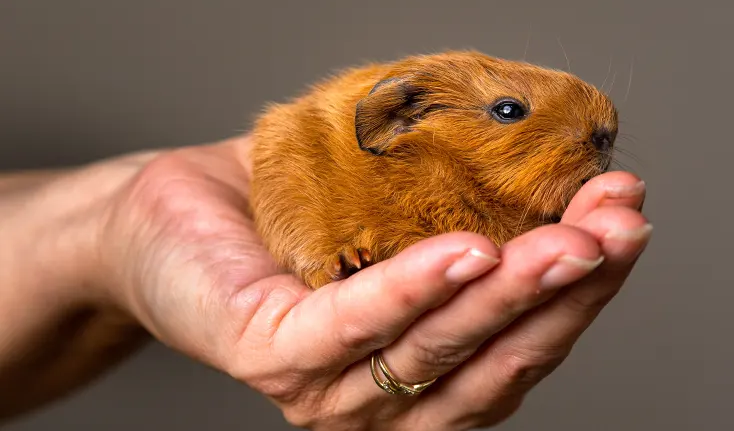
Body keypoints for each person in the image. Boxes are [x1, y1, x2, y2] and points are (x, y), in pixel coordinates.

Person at [0, 135, 652, 430]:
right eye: (509, 112)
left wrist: (106, 220)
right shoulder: (322, 158)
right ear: (397, 121)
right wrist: (111, 225)